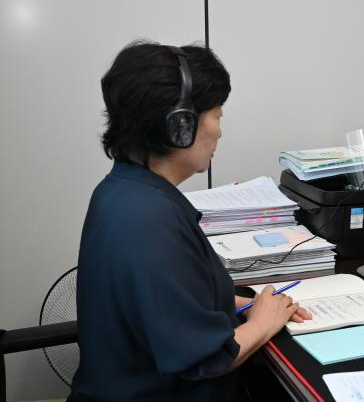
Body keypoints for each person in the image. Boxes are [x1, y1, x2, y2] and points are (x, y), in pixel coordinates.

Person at [70, 42, 311, 401]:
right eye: (217, 116)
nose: (219, 132)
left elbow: (162, 303)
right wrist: (263, 323)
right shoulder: (149, 220)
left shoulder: (123, 190)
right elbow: (207, 358)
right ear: (180, 125)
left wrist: (242, 303)